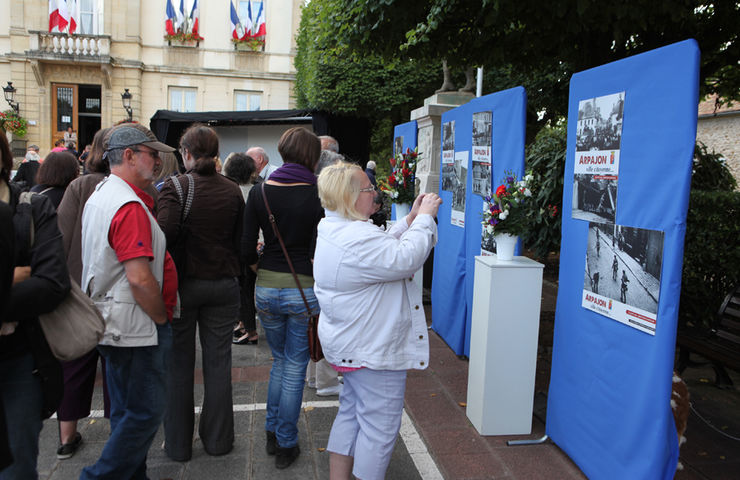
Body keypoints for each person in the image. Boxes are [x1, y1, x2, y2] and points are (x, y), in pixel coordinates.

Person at [313, 161, 441, 480]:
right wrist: (424, 220)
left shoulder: (335, 226)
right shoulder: (355, 237)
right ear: (350, 197)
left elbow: (380, 248)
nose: (375, 194)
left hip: (350, 345)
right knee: (379, 431)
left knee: (352, 415)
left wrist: (409, 220)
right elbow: (404, 258)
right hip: (372, 351)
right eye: (369, 189)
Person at [79, 124, 178, 479]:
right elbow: (138, 278)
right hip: (136, 326)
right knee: (145, 412)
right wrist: (161, 319)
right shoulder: (127, 203)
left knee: (126, 410)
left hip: (116, 322)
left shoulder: (104, 194)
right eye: (152, 154)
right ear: (129, 156)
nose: (157, 161)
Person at [157, 124, 244, 461]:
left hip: (184, 284)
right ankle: (219, 441)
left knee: (178, 365)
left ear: (187, 154)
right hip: (223, 284)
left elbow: (162, 236)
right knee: (219, 364)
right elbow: (239, 241)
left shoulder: (175, 187)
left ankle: (178, 445)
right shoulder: (232, 190)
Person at [242, 127, 324, 469]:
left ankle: (272, 431)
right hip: (304, 287)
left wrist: (263, 269)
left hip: (266, 287)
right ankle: (286, 441)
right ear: (312, 156)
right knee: (293, 367)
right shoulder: (319, 192)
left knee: (279, 361)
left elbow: (245, 248)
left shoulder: (260, 192)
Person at [0, 130, 70, 479]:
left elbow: (52, 283)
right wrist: (13, 277)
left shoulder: (31, 206)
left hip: (18, 356)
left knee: (18, 465)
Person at [54, 127, 112, 461]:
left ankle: (67, 437)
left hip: (77, 291)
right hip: (112, 291)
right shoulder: (125, 188)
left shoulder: (78, 186)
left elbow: (60, 239)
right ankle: (117, 429)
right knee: (115, 365)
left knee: (75, 366)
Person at [224, 152, 261, 346]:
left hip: (237, 248)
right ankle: (245, 325)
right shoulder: (256, 191)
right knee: (247, 288)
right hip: (256, 247)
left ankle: (249, 330)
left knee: (242, 291)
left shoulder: (229, 191)